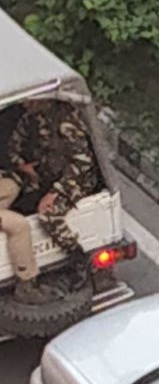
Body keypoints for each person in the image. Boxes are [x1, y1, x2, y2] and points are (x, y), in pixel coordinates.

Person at [0, 99, 99, 303]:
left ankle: (78, 259)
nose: (25, 106)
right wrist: (23, 167)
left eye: (29, 102)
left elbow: (82, 163)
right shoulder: (29, 120)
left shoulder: (65, 122)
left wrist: (55, 191)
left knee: (48, 213)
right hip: (42, 174)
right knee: (14, 188)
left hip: (72, 179)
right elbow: (13, 148)